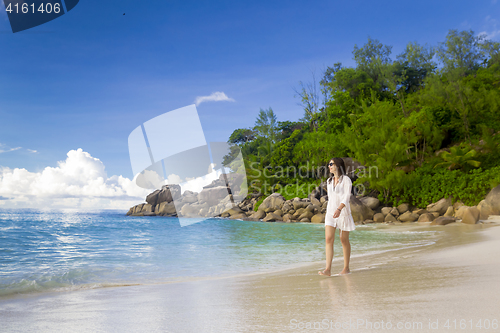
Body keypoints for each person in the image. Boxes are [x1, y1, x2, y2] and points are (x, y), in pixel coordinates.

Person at [318, 157, 356, 276]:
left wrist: (339, 208)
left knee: (343, 240)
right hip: (330, 213)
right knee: (329, 239)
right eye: (328, 164)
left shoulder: (346, 180)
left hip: (343, 213)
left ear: (338, 166)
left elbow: (346, 197)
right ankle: (328, 269)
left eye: (331, 164)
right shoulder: (329, 181)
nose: (329, 166)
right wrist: (332, 210)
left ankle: (346, 268)